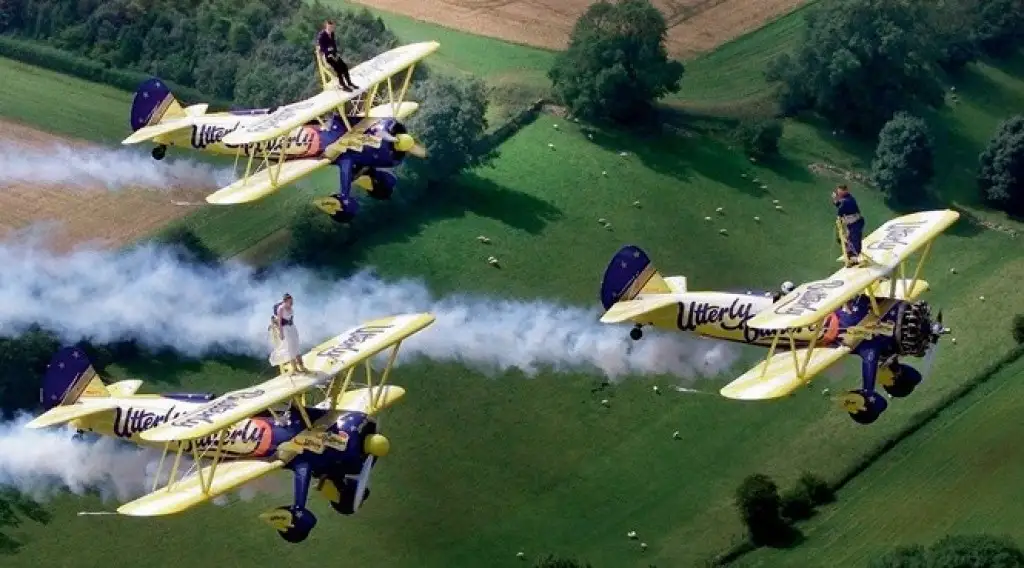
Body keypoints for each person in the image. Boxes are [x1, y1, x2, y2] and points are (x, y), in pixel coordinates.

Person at [269, 293, 310, 374]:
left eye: (292, 301)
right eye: (290, 301)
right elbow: (280, 322)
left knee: (296, 346)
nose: (292, 303)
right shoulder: (281, 309)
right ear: (285, 301)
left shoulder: (290, 307)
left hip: (292, 327)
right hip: (285, 329)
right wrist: (281, 333)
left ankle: (301, 366)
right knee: (291, 348)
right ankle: (295, 369)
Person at [316, 20, 358, 92]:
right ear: (326, 26)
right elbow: (321, 48)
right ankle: (343, 85)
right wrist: (328, 50)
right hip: (327, 56)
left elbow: (334, 44)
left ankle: (349, 83)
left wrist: (336, 52)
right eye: (329, 28)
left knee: (344, 67)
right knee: (338, 69)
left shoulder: (332, 34)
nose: (330, 29)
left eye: (332, 28)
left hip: (333, 54)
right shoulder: (322, 36)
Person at [833, 184, 866, 267]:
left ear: (846, 191)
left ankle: (854, 259)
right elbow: (838, 204)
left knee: (854, 240)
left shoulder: (847, 201)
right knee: (849, 239)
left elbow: (840, 210)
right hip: (852, 224)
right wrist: (835, 199)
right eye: (838, 192)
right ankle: (850, 255)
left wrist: (839, 219)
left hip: (856, 223)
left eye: (840, 192)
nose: (839, 193)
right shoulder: (847, 198)